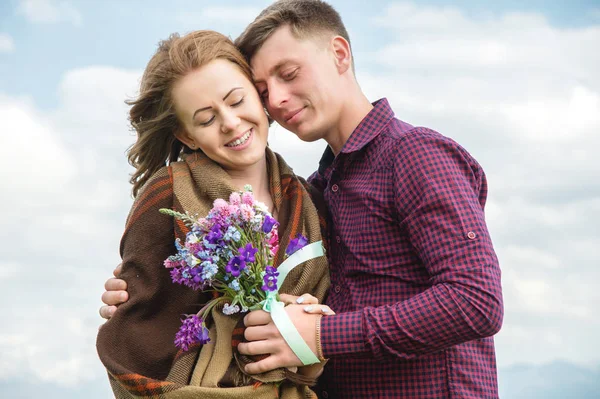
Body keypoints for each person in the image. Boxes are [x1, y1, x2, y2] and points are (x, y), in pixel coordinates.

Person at [101, 1, 504, 398]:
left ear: (340, 54)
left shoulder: (414, 154)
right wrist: (142, 298)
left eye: (289, 74)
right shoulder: (317, 191)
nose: (276, 99)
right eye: (264, 89)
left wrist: (321, 335)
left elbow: (477, 300)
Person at [96, 29, 333, 399]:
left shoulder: (308, 200)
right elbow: (133, 333)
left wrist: (310, 323)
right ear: (187, 136)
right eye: (206, 119)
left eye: (237, 100)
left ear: (259, 93)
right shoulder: (168, 196)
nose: (231, 123)